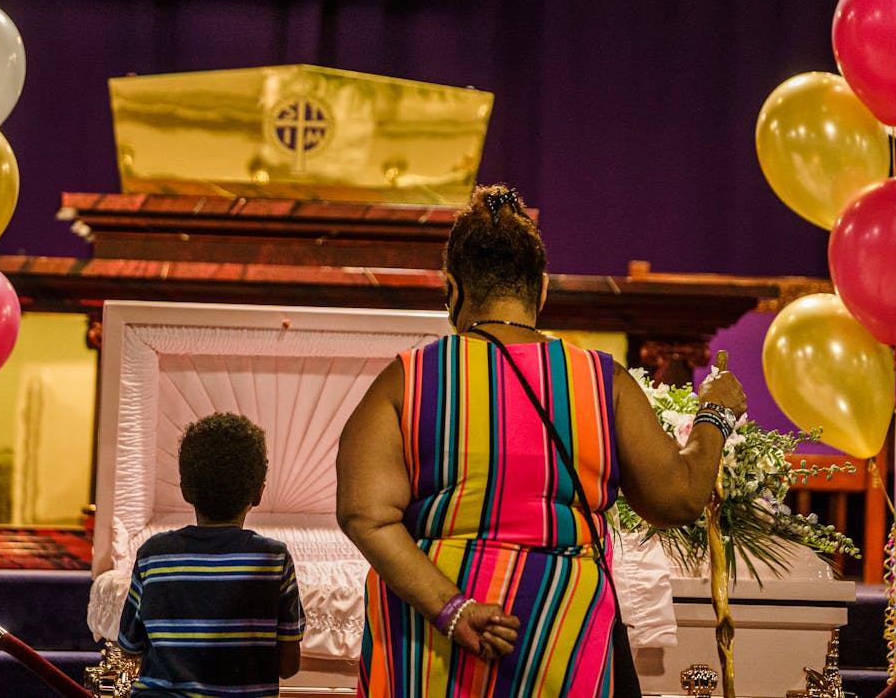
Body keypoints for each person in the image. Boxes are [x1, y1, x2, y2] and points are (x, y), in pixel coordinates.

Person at [336, 183, 747, 695]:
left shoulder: (408, 380)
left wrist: (452, 606)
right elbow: (678, 497)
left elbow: (364, 514)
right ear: (542, 290)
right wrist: (715, 413)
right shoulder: (601, 382)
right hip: (560, 633)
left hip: (427, 642)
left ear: (452, 290)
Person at [118, 412, 305, 694]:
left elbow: (130, 646)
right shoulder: (273, 559)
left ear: (185, 492)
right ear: (258, 493)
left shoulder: (153, 555)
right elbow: (288, 666)